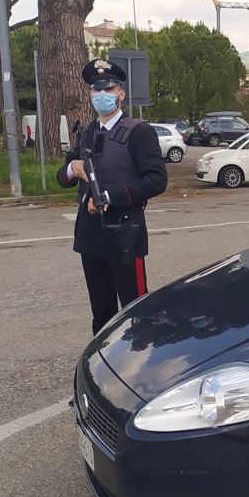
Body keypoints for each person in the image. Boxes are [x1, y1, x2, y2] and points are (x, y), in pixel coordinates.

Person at [57, 58, 167, 334]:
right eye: (96, 90)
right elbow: (63, 177)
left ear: (121, 94)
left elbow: (156, 180)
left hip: (125, 234)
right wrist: (73, 168)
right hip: (91, 236)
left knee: (136, 313)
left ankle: (141, 369)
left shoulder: (139, 132)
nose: (102, 95)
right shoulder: (87, 132)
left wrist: (107, 196)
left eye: (109, 89)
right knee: (102, 314)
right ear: (90, 94)